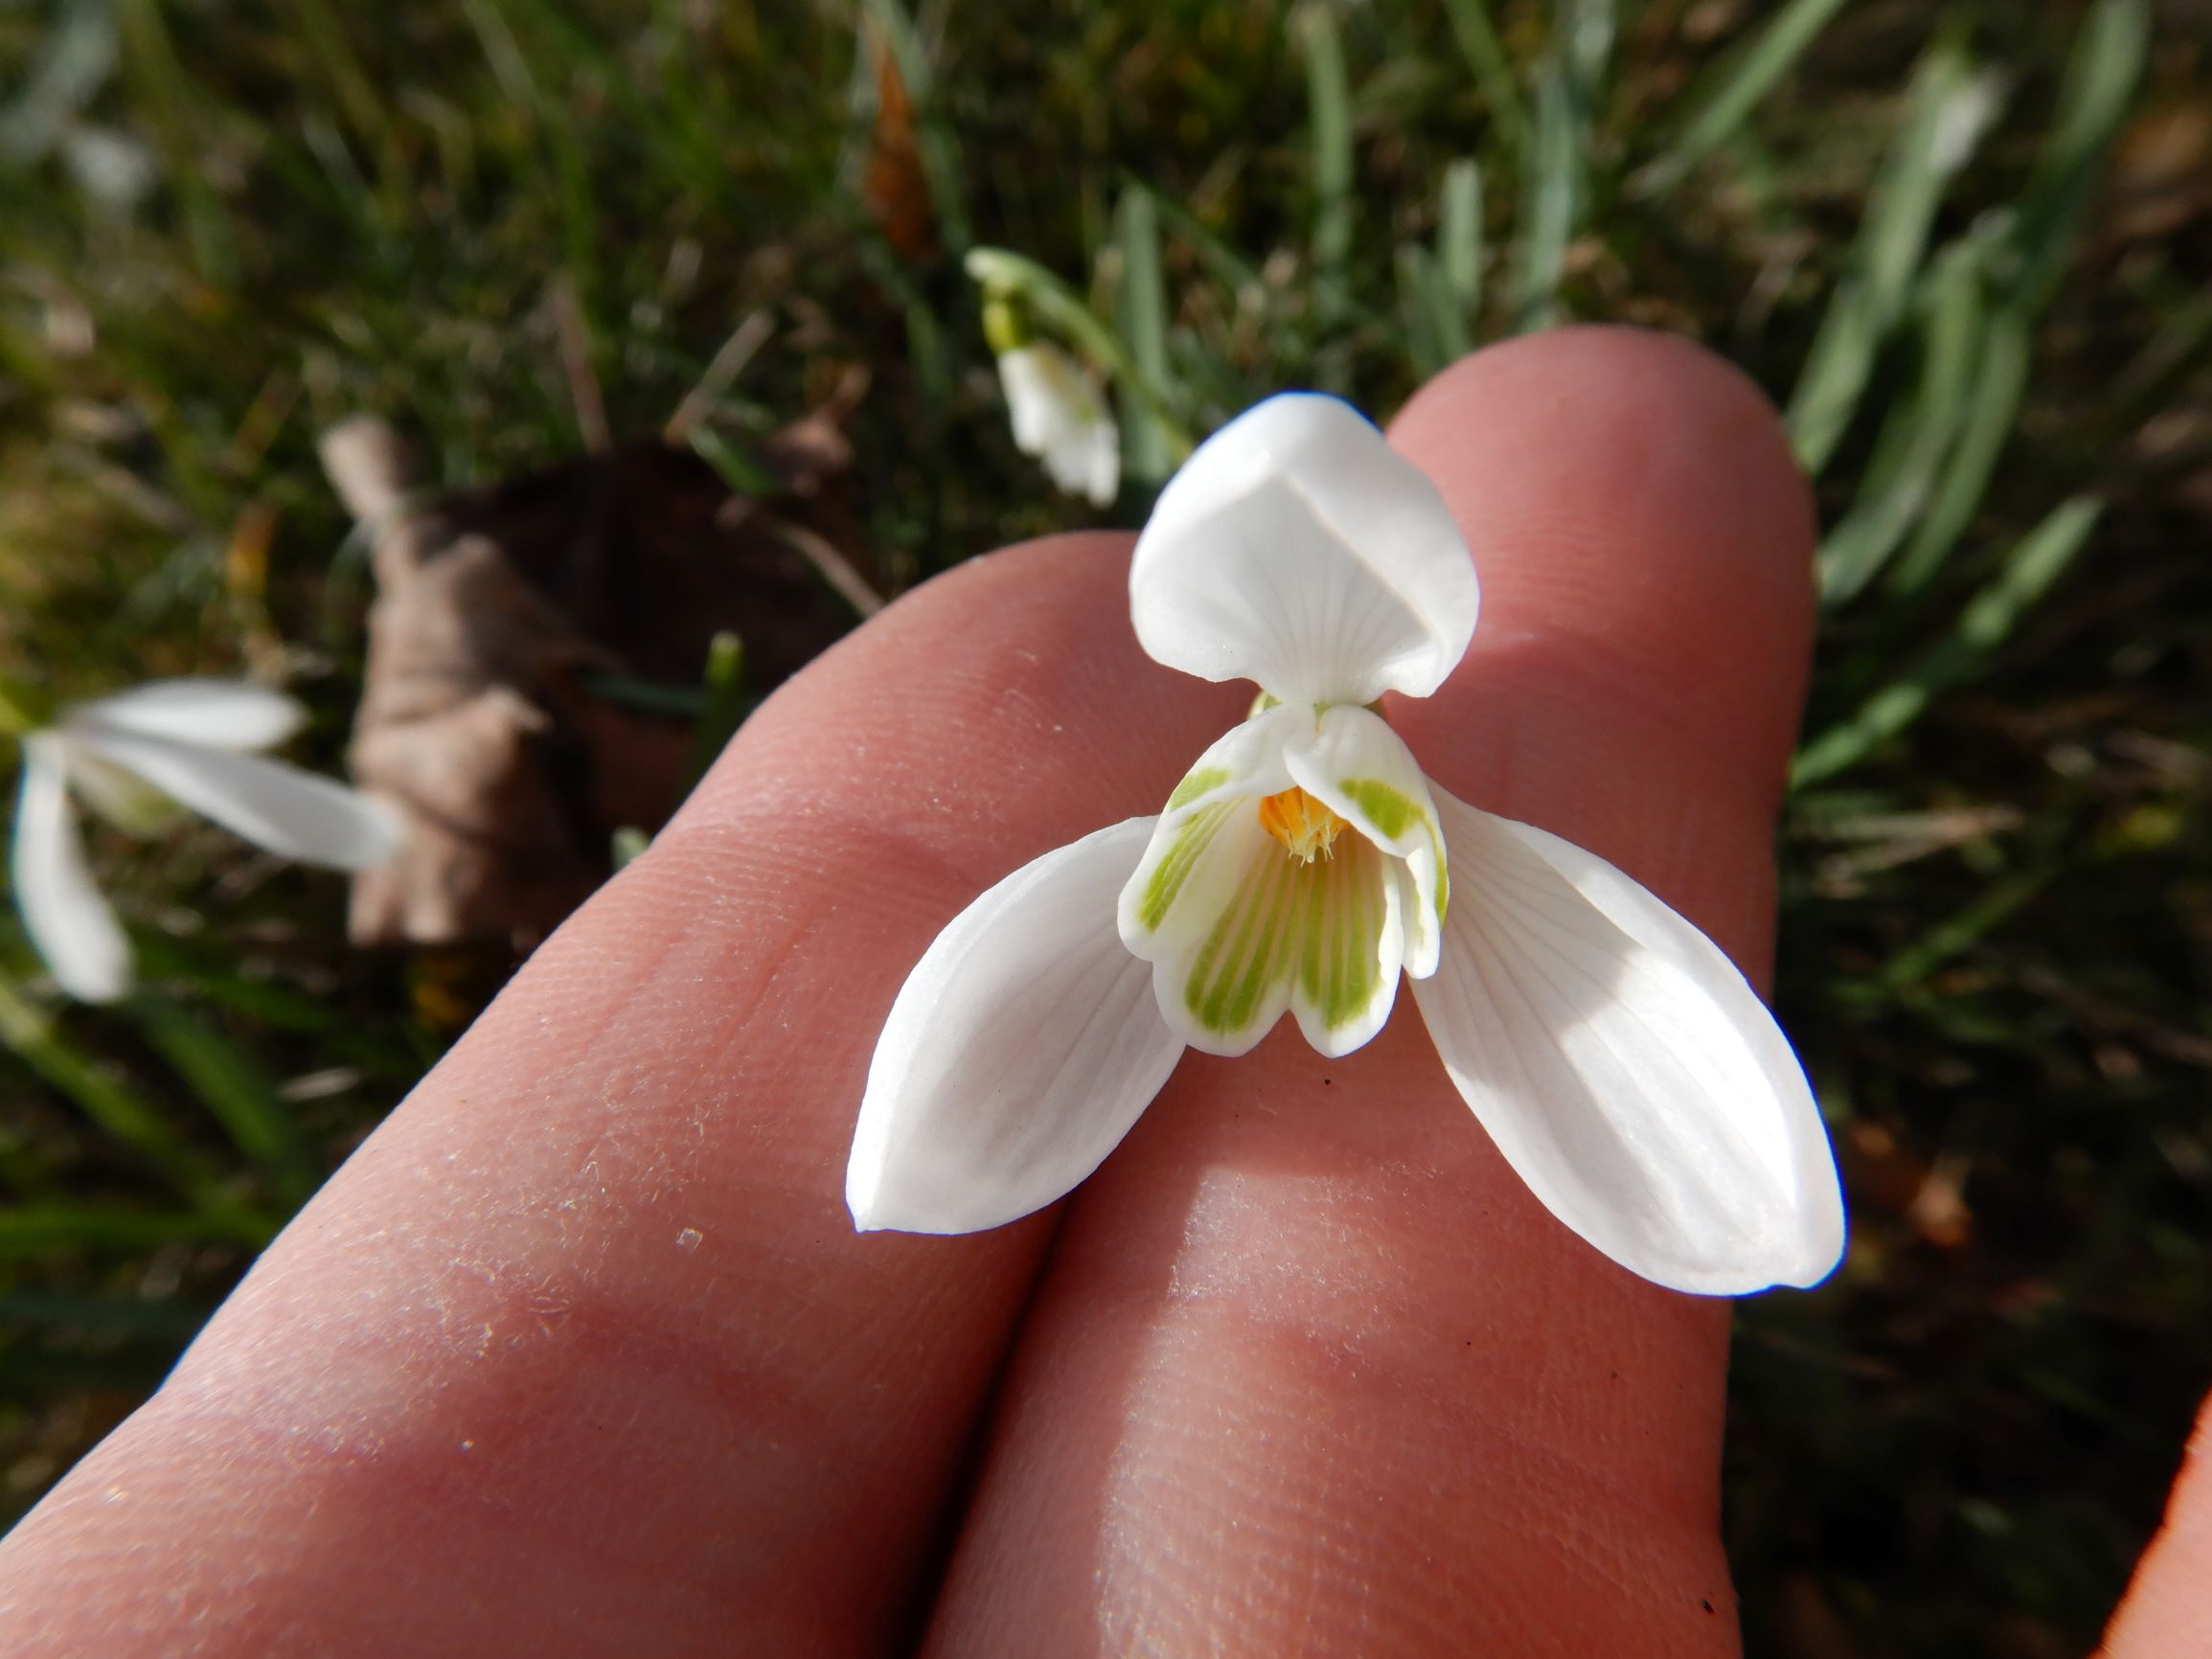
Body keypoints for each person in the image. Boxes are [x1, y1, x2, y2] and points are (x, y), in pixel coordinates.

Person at [0, 330, 2201, 1655]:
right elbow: (934, 1147)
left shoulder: (1438, 852)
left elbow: (1733, 1186)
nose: (1302, 810)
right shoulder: (1125, 912)